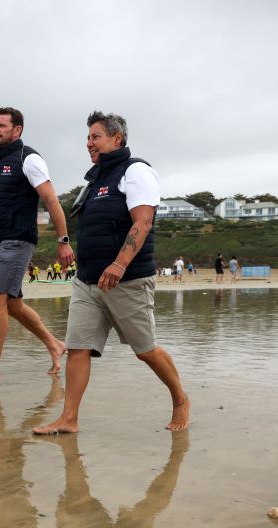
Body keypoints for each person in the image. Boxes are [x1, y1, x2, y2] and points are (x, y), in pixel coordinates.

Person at [34, 111, 189, 434]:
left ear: (117, 138)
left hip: (128, 280)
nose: (88, 143)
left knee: (145, 351)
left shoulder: (136, 171)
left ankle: (180, 399)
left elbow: (142, 222)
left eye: (96, 136)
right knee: (78, 348)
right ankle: (69, 419)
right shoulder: (95, 179)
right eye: (88, 137)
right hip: (87, 280)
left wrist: (119, 264)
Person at [0, 106, 74, 385]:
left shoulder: (29, 159)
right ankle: (55, 344)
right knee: (12, 305)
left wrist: (63, 241)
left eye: (2, 126)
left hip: (18, 239)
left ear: (17, 130)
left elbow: (51, 200)